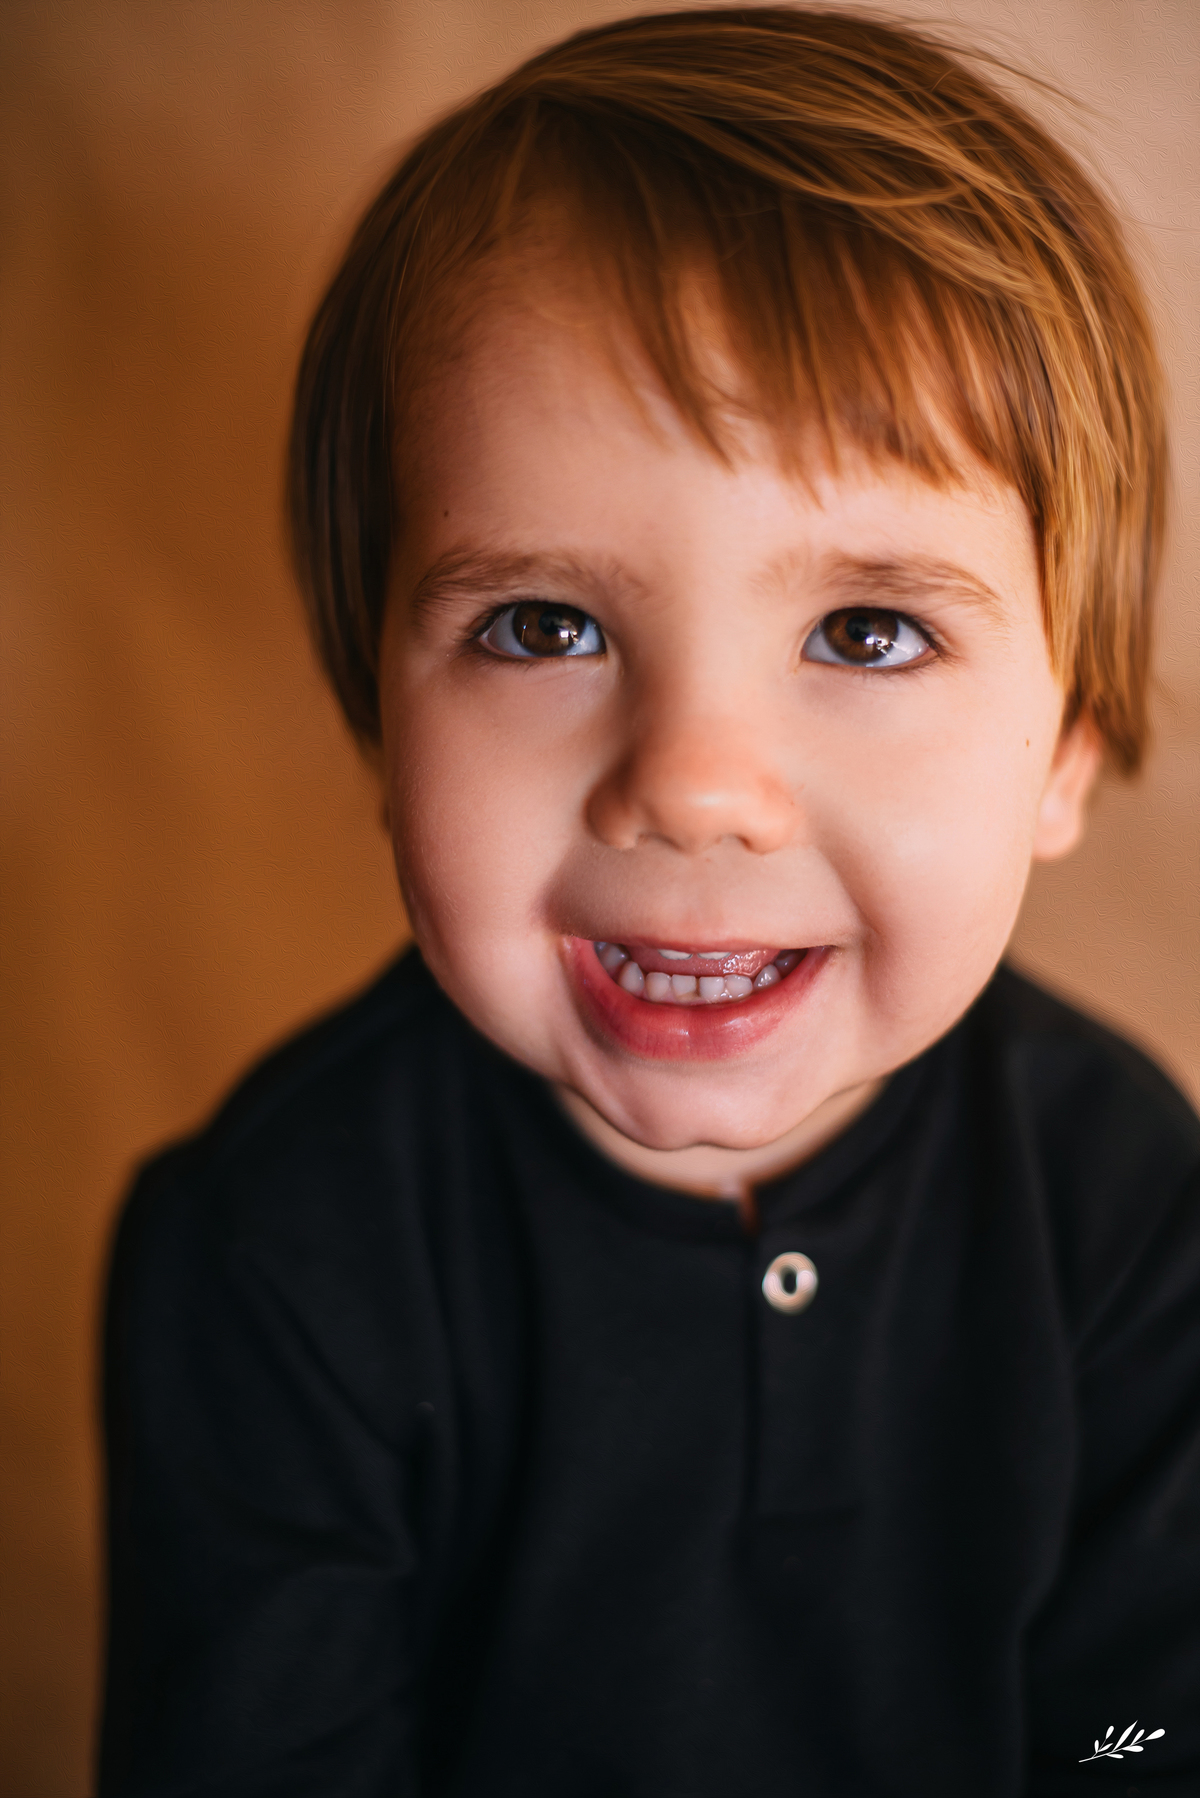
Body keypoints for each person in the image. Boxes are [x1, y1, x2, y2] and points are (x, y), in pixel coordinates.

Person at [98, 9, 1199, 1795]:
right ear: (383, 724)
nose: (690, 780)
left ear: (1066, 752)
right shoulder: (274, 1258)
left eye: (866, 629)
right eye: (545, 625)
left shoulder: (1130, 1209)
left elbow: (1146, 1728)